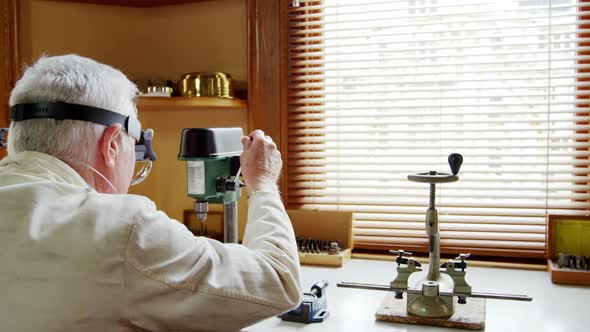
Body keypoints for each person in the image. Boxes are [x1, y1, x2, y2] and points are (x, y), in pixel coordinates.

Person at [0, 54, 302, 331]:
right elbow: (277, 282)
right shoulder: (123, 228)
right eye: (137, 139)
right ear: (113, 143)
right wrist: (262, 183)